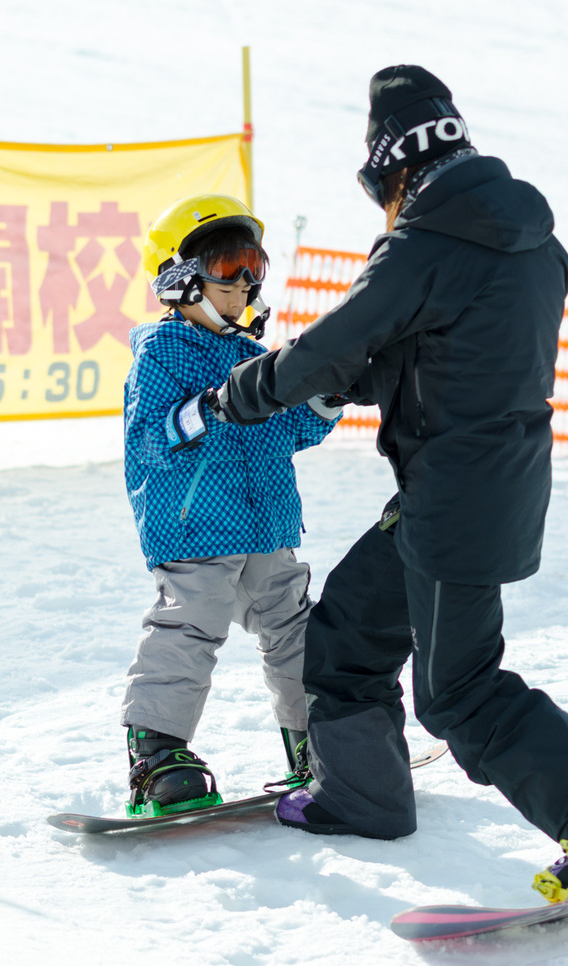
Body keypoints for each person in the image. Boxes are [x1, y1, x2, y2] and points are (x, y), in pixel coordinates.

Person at [204, 67, 568, 902]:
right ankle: (363, 795)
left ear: (394, 166)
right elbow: (455, 349)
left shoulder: (424, 240)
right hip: (477, 483)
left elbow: (337, 342)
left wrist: (238, 394)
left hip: (457, 495)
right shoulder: (533, 242)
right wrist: (369, 382)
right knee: (350, 629)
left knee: (460, 691)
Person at [121, 193, 342, 818]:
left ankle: (317, 744)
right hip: (196, 528)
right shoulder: (163, 351)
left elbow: (288, 432)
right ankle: (157, 755)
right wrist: (216, 404)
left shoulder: (253, 356)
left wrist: (328, 397)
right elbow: (151, 438)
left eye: (254, 266)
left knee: (296, 628)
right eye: (227, 267)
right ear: (181, 278)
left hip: (268, 524)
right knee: (191, 623)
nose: (244, 283)